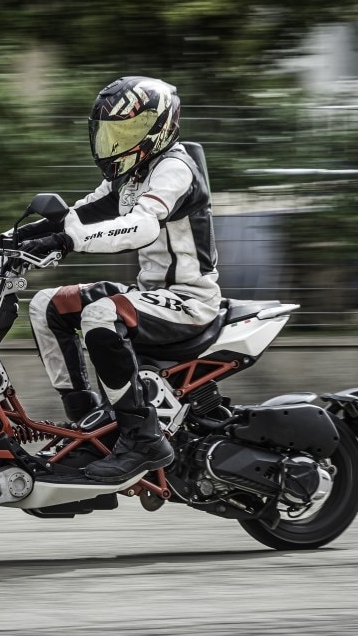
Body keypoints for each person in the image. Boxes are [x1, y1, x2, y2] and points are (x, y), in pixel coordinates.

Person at [18, 76, 221, 483]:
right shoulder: (133, 174)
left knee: (101, 315)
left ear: (159, 126)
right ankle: (88, 423)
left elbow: (143, 225)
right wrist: (10, 239)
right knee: (46, 305)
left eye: (129, 130)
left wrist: (69, 242)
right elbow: (78, 215)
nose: (117, 141)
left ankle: (142, 437)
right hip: (151, 294)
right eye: (112, 132)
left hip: (189, 300)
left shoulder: (175, 168)